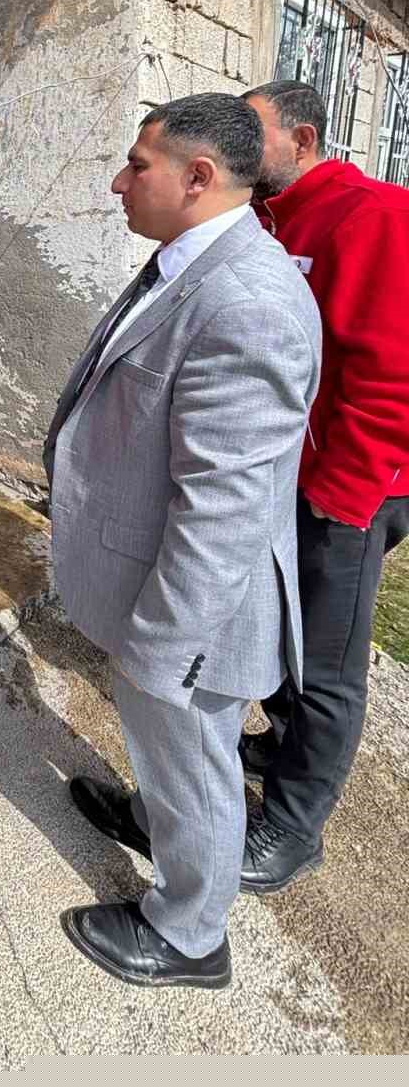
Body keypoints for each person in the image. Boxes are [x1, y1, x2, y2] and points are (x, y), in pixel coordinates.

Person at [45, 93, 320, 990]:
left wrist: (162, 647)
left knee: (197, 764)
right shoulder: (193, 255)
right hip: (156, 573)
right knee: (172, 755)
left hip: (196, 607)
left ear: (197, 177)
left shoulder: (249, 302)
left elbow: (222, 513)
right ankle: (156, 820)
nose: (118, 182)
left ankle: (190, 935)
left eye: (137, 165)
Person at [237, 79, 409, 892]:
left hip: (354, 487)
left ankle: (291, 828)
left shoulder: (374, 216)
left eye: (253, 132)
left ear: (302, 140)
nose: (237, 147)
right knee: (284, 628)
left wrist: (340, 498)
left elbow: (390, 379)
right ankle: (280, 740)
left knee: (329, 669)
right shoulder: (271, 217)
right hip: (293, 475)